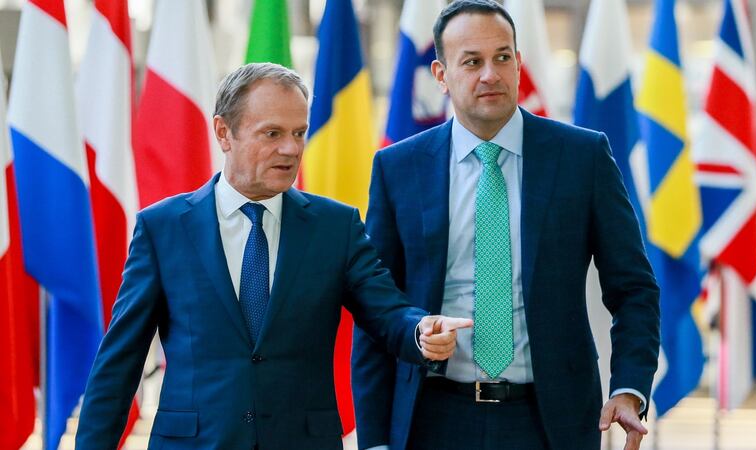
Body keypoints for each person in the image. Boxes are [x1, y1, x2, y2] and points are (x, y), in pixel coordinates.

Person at [75, 63, 472, 450]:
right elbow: (119, 363)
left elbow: (387, 314)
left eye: (299, 132)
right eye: (272, 133)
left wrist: (420, 331)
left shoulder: (336, 227)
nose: (290, 148)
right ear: (223, 132)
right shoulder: (163, 228)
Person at [351, 1, 660, 450]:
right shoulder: (398, 168)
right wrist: (376, 440)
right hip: (430, 419)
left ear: (519, 63)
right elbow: (376, 310)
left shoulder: (582, 158)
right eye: (472, 62)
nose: (490, 74)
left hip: (550, 422)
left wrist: (629, 387)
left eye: (501, 57)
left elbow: (634, 289)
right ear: (441, 75)